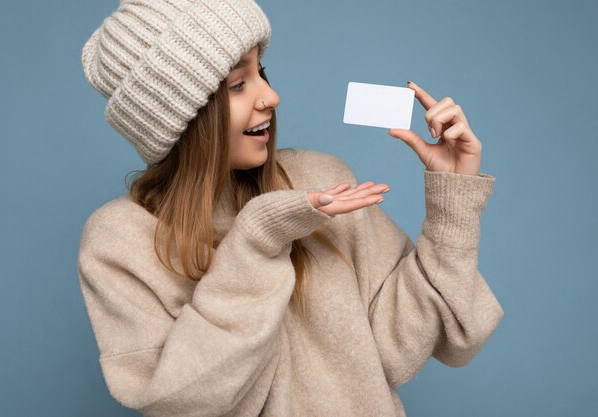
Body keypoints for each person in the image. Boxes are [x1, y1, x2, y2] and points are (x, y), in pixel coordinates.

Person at [77, 1, 504, 416]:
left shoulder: (320, 178)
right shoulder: (120, 241)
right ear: (180, 116)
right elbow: (186, 404)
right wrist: (256, 241)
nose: (272, 96)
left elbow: (406, 348)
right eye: (237, 84)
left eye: (261, 71)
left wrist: (453, 197)